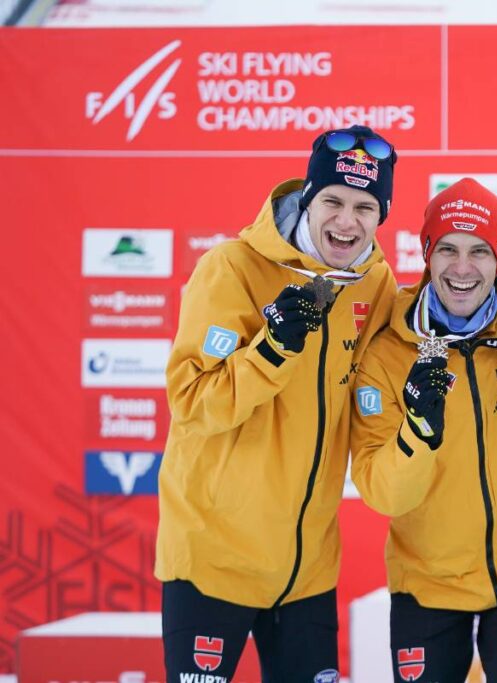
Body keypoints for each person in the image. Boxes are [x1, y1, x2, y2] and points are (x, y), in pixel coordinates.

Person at [155, 125, 398, 682]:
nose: (347, 221)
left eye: (365, 207)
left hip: (305, 569)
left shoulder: (374, 282)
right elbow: (194, 402)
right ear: (308, 198)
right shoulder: (233, 268)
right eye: (333, 201)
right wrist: (273, 347)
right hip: (214, 558)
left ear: (381, 215)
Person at [349, 178, 497, 683]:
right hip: (426, 582)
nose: (462, 268)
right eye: (447, 249)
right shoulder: (388, 353)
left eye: (479, 251)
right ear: (426, 254)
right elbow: (383, 492)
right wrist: (419, 434)